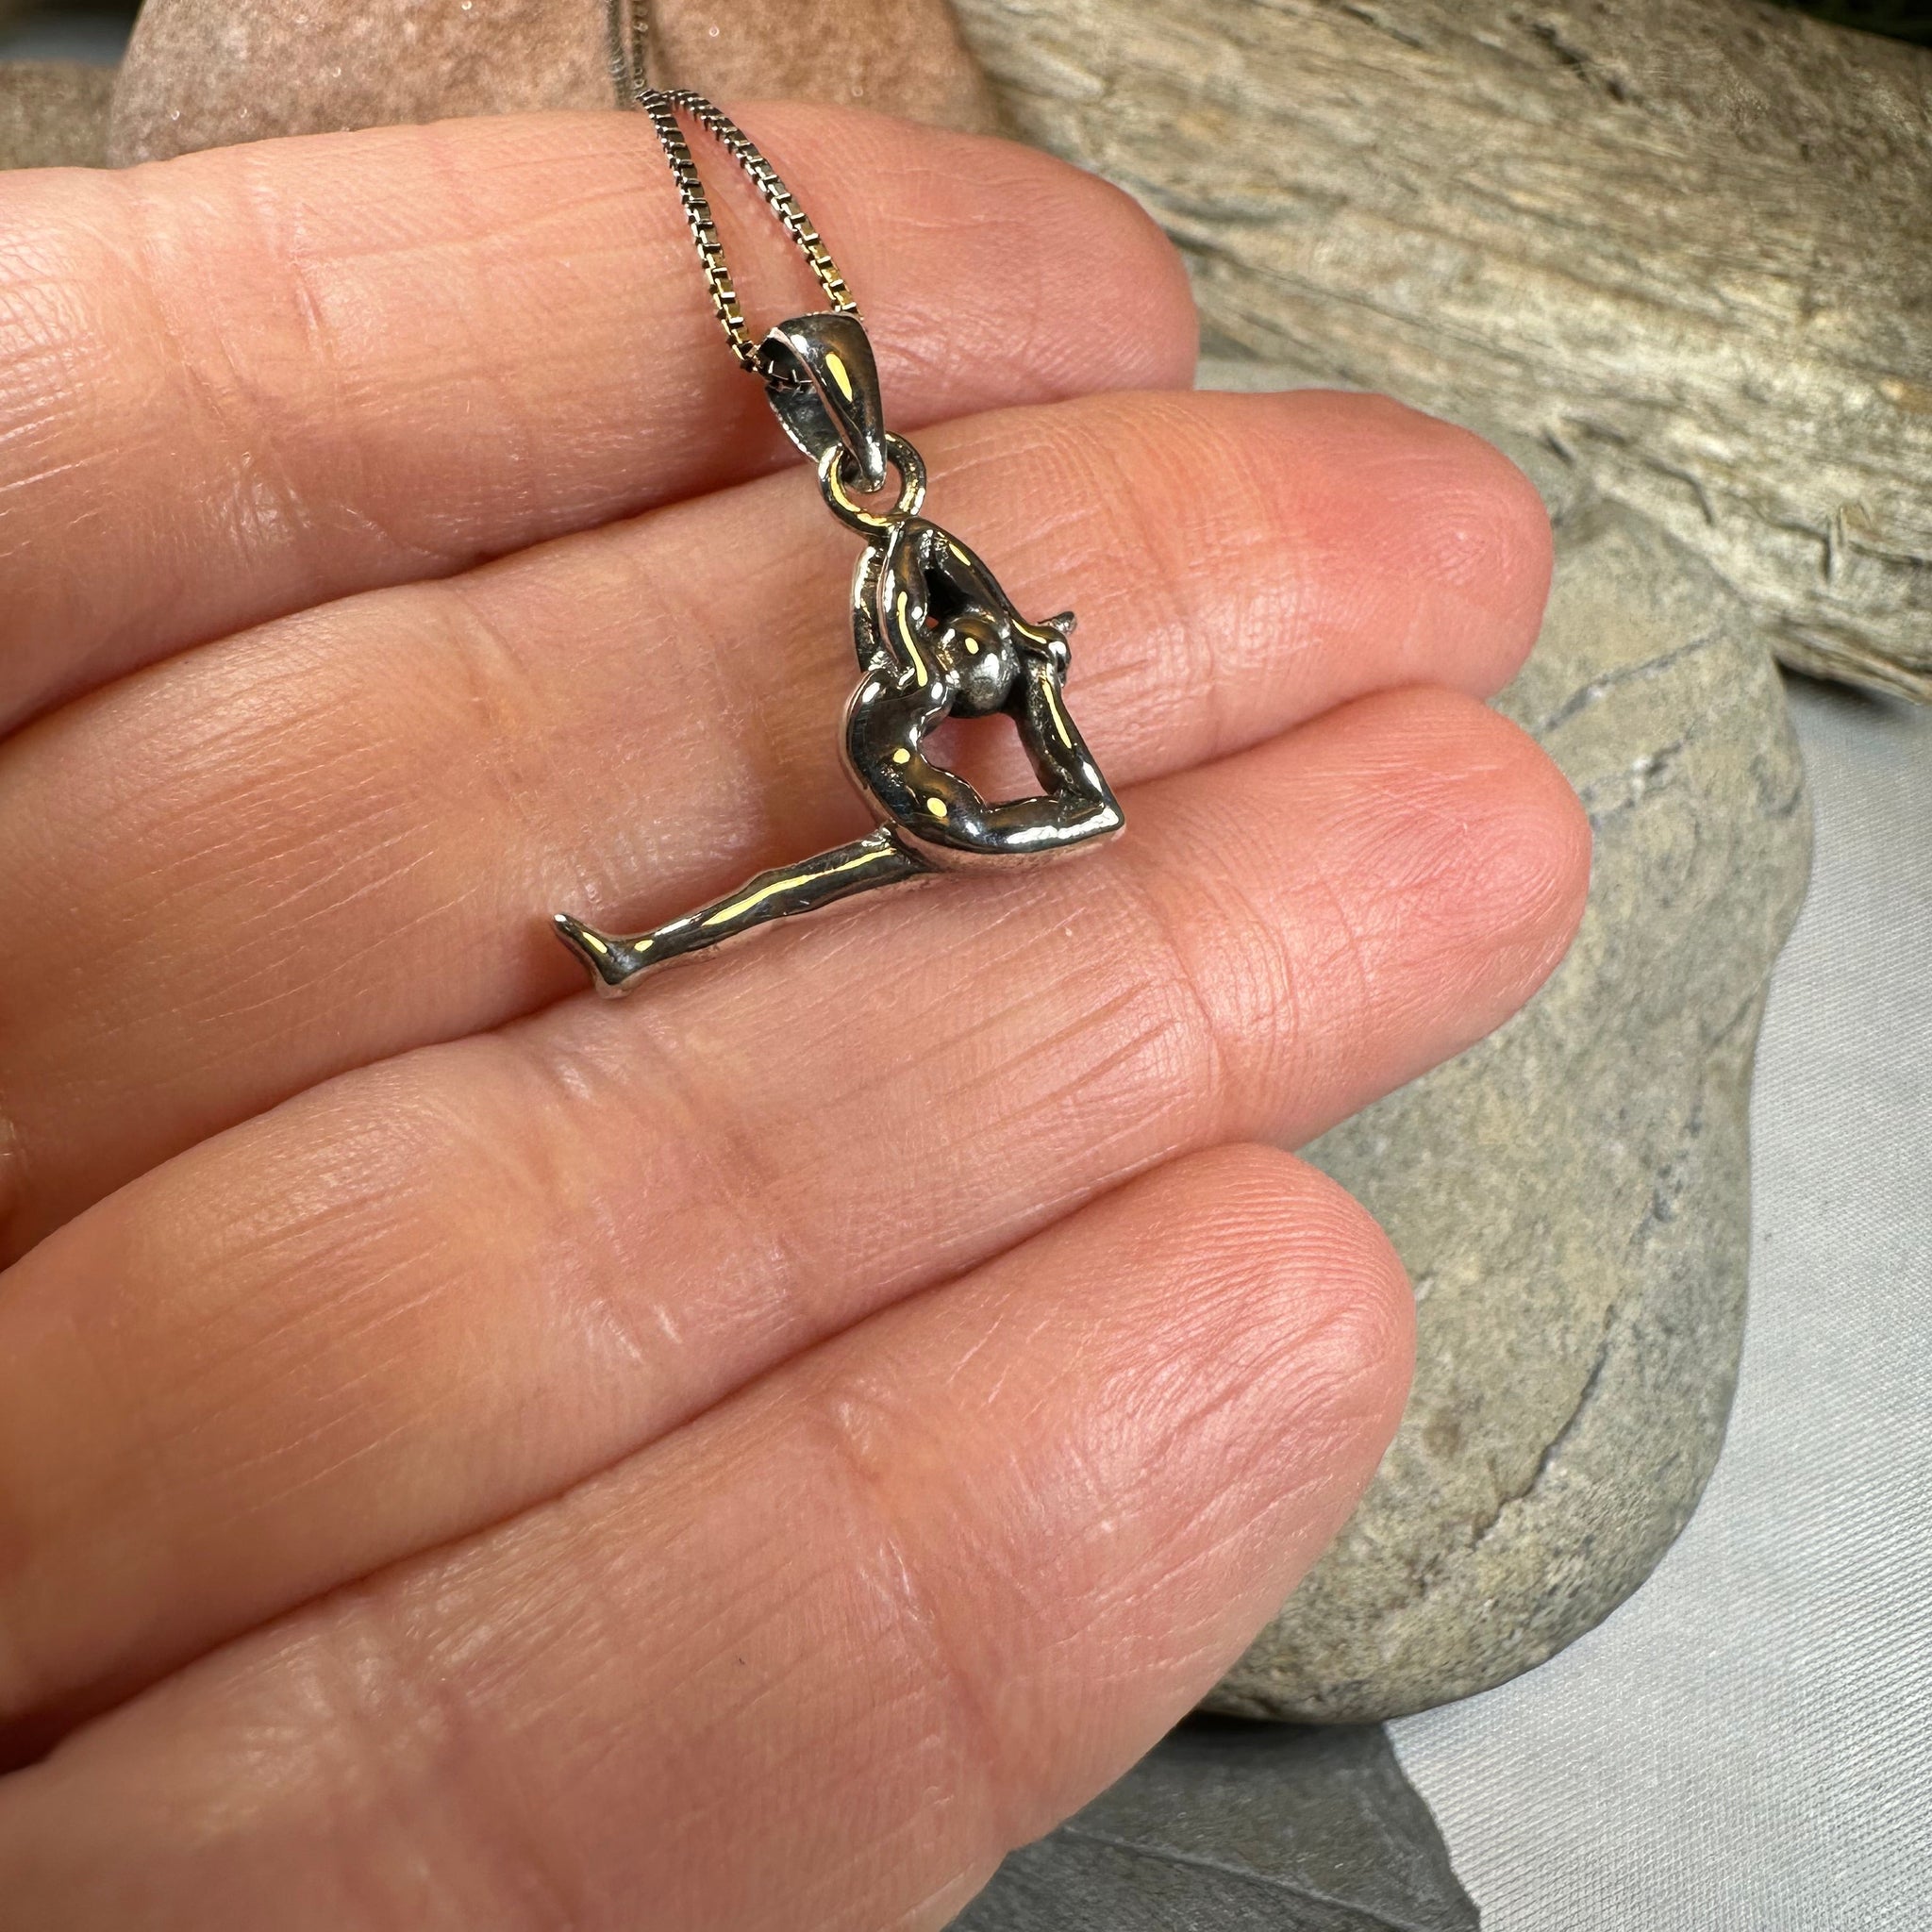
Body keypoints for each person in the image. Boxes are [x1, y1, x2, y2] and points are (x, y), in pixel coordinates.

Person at [0, 101, 1588, 1926]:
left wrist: (1007, 705)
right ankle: (652, 952)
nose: (979, 652)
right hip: (921, 797)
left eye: (978, 647)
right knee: (797, 884)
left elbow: (1076, 797)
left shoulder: (947, 608)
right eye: (965, 649)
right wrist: (976, 711)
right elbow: (1001, 768)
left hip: (955, 797)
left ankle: (654, 951)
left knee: (799, 888)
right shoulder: (902, 665)